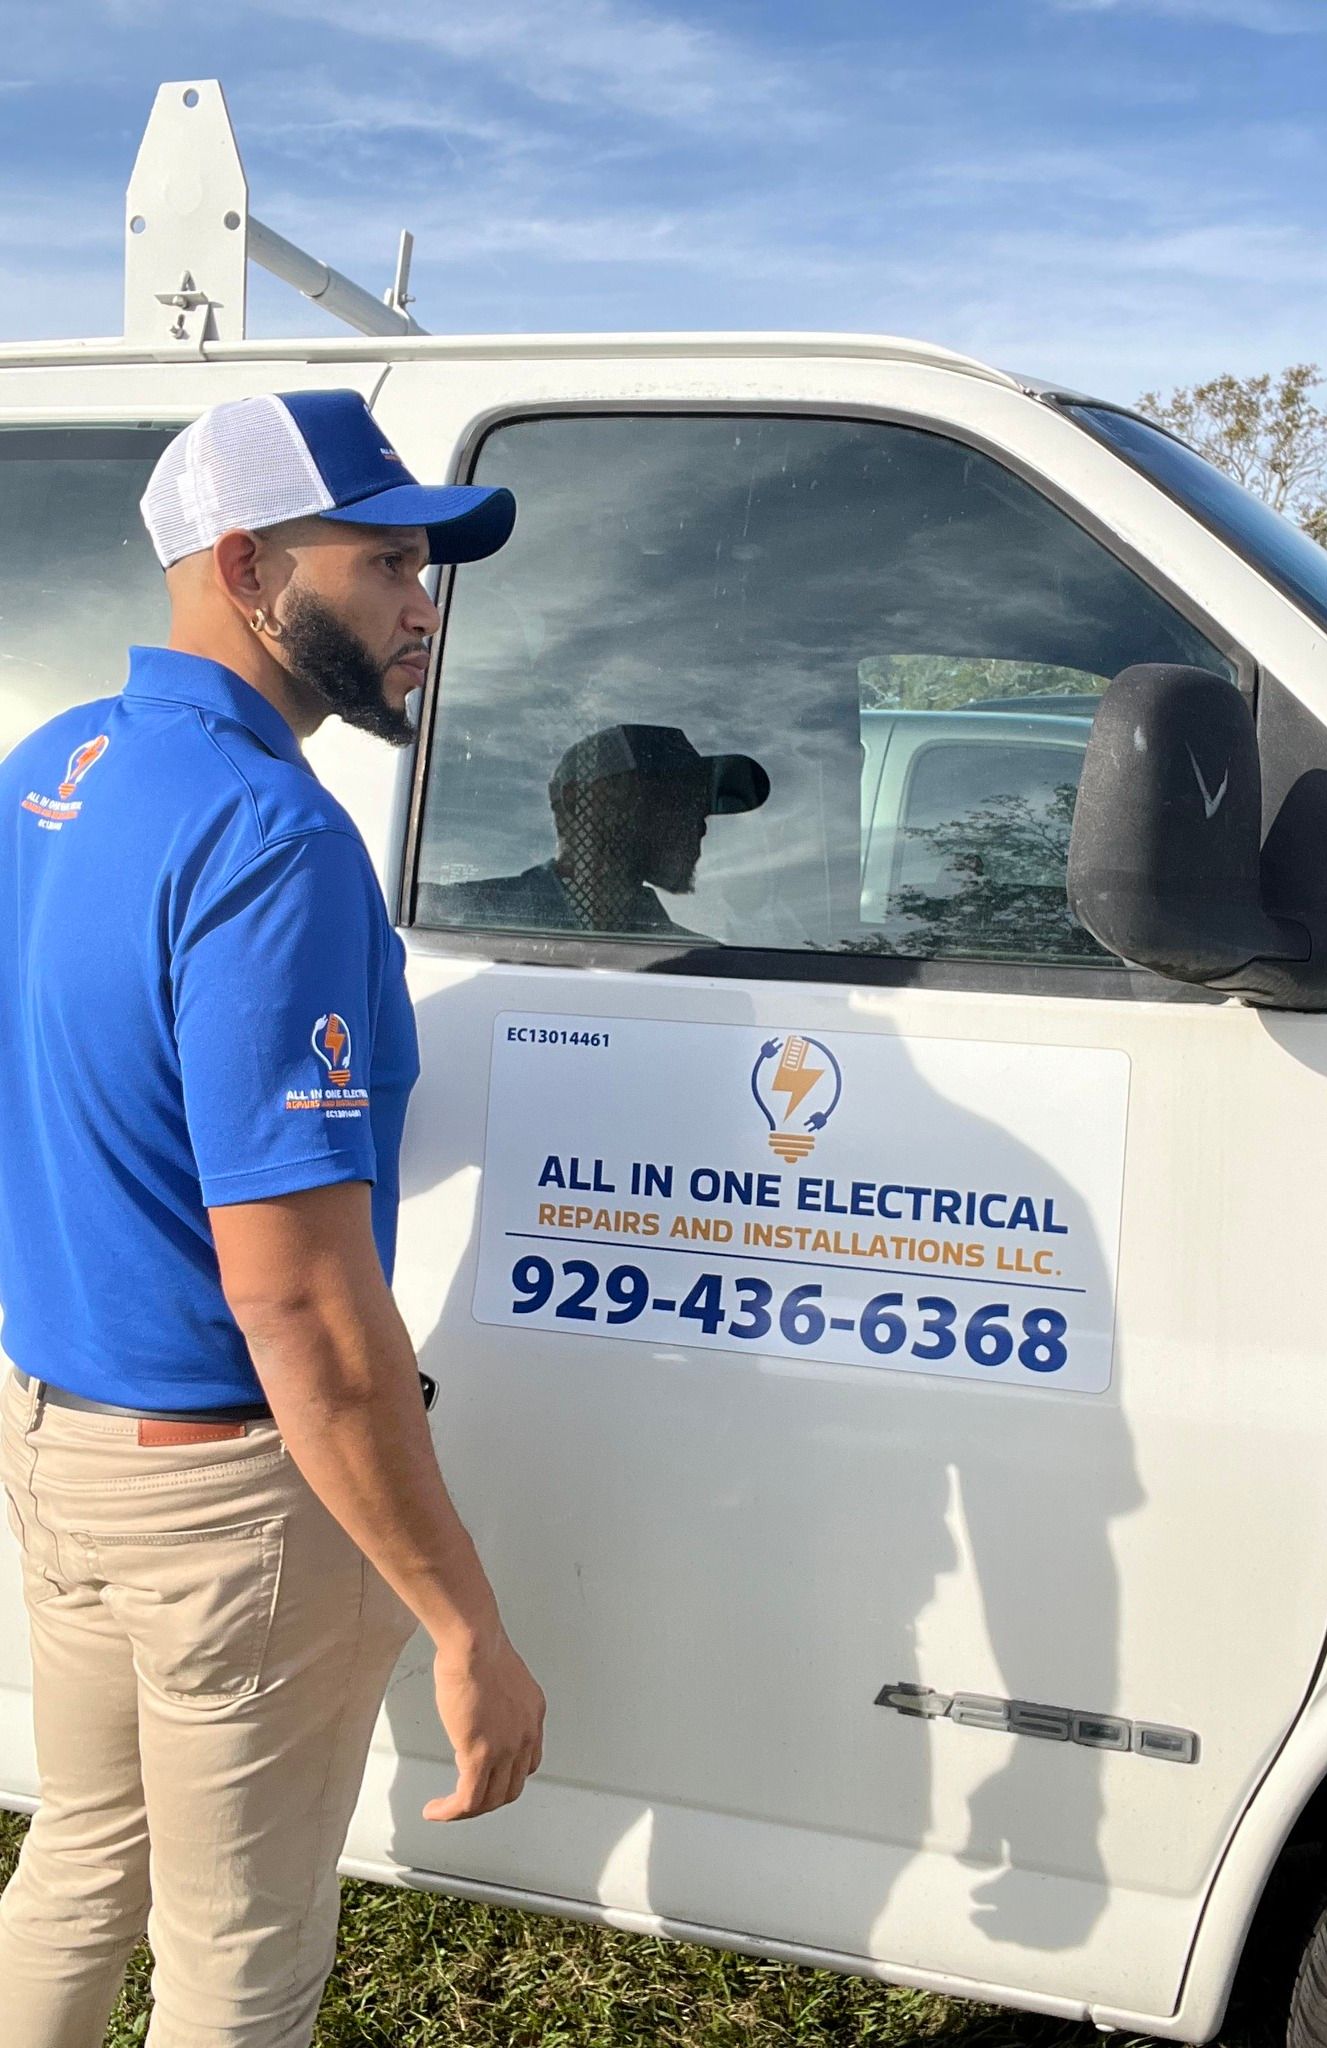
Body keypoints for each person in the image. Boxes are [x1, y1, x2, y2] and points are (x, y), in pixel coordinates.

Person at [0, 389, 546, 2048]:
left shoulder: (53, 766)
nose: (420, 604)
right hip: (233, 1493)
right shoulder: (272, 836)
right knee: (243, 1960)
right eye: (384, 558)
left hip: (62, 1438)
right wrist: (466, 1623)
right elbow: (300, 1306)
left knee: (82, 1860)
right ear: (244, 565)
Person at [416, 721, 769, 937]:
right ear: (579, 801)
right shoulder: (455, 915)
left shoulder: (696, 961)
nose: (698, 824)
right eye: (675, 800)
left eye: (700, 807)